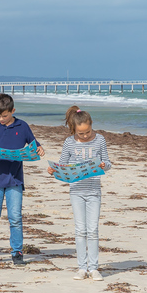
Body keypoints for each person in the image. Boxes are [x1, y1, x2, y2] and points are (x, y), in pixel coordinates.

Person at [0, 93, 44, 265]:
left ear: (13, 110)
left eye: (5, 115)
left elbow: (34, 145)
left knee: (15, 217)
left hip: (15, 179)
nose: (1, 118)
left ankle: (17, 252)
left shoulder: (22, 126)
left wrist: (39, 149)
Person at [47, 106, 111, 281]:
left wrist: (105, 165)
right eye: (81, 133)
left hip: (94, 191)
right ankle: (82, 268)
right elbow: (62, 165)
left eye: (88, 132)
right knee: (80, 230)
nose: (85, 136)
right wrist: (54, 171)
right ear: (74, 129)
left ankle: (94, 268)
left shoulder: (100, 140)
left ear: (91, 126)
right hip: (76, 191)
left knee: (93, 230)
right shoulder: (69, 142)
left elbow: (108, 162)